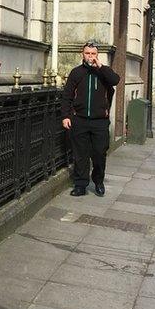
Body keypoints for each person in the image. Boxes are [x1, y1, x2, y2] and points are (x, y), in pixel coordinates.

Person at [61, 41, 121, 197]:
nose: (90, 56)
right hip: (79, 119)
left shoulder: (104, 73)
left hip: (100, 121)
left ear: (97, 55)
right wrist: (66, 116)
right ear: (83, 54)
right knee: (80, 155)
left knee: (99, 154)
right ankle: (80, 184)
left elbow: (115, 80)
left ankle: (98, 182)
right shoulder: (76, 73)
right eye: (87, 53)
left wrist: (100, 67)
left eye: (93, 54)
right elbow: (67, 96)